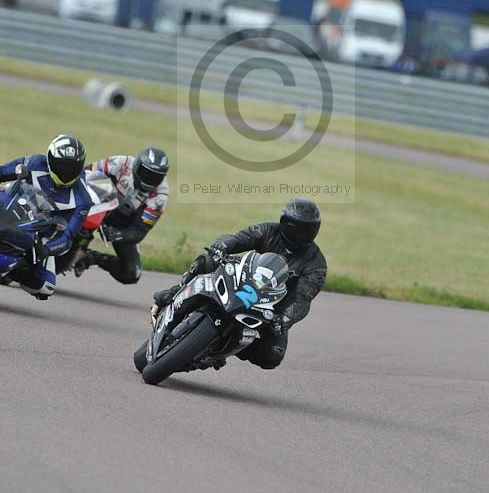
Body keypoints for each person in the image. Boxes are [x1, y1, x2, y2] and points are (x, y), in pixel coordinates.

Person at [151, 198, 327, 370]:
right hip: (240, 280)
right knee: (206, 261)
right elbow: (239, 239)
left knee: (273, 355)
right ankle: (172, 294)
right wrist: (222, 247)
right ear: (283, 222)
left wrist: (284, 319)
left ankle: (220, 350)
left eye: (306, 230)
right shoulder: (266, 230)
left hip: (270, 307)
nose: (299, 234)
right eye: (293, 227)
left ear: (315, 230)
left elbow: (303, 298)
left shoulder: (316, 263)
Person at [0, 134, 92, 299]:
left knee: (44, 286)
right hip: (8, 205)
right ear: (50, 159)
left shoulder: (83, 199)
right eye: (62, 166)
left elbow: (67, 236)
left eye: (72, 168)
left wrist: (46, 249)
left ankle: (13, 270)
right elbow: (2, 171)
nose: (66, 173)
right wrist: (14, 172)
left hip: (35, 233)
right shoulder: (35, 162)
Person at [74, 147, 169, 285]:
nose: (149, 180)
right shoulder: (121, 163)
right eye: (146, 173)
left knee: (132, 273)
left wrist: (116, 234)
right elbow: (85, 174)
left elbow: (139, 232)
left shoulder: (160, 195)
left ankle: (91, 258)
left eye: (156, 177)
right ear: (136, 165)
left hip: (123, 224)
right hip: (97, 206)